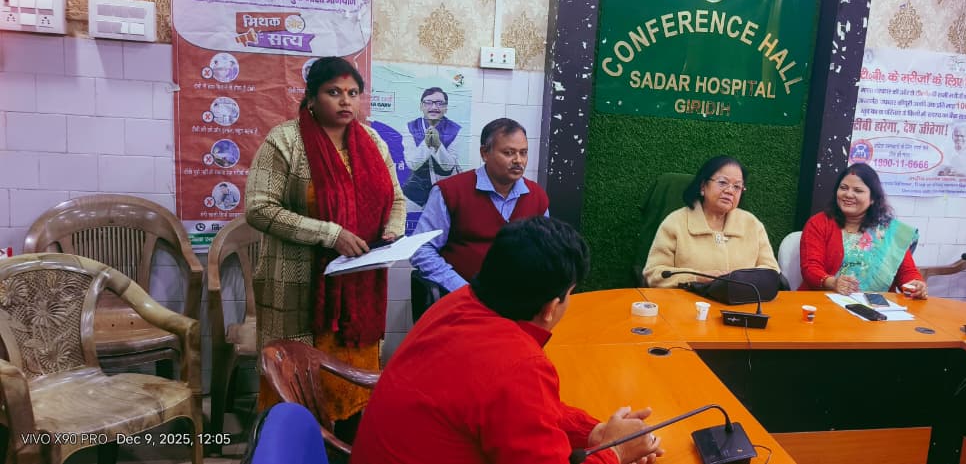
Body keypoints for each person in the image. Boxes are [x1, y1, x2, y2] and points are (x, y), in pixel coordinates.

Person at [351, 218, 664, 464]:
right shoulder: (518, 365)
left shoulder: (458, 303)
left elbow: (526, 412)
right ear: (551, 307)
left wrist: (593, 432)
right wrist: (615, 453)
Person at [244, 56, 406, 427]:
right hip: (297, 287)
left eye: (353, 93)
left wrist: (392, 230)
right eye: (334, 92)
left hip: (358, 288)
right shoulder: (285, 141)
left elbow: (396, 198)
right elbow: (259, 209)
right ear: (312, 97)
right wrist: (330, 234)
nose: (346, 101)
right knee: (295, 390)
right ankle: (293, 443)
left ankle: (347, 441)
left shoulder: (372, 141)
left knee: (352, 392)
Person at [409, 118, 549, 318]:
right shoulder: (450, 191)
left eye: (523, 152)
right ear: (485, 153)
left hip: (519, 305)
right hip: (462, 304)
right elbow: (422, 249)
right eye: (508, 153)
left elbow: (545, 252)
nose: (518, 160)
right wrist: (464, 291)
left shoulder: (537, 196)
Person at [644, 156, 779, 287]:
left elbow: (772, 271)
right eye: (722, 182)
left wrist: (739, 280)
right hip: (687, 300)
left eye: (737, 187)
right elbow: (654, 274)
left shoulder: (752, 224)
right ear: (703, 186)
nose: (730, 191)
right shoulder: (676, 222)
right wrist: (696, 278)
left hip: (741, 301)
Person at [799, 163, 926, 297]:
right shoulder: (819, 223)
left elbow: (907, 272)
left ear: (873, 198)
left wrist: (916, 285)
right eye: (843, 188)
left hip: (875, 305)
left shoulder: (889, 231)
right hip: (823, 299)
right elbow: (810, 268)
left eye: (858, 190)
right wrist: (833, 283)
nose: (848, 194)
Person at [401, 87, 462, 206]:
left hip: (445, 194)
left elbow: (448, 166)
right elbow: (412, 164)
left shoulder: (455, 130)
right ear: (421, 106)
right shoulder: (410, 127)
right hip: (414, 194)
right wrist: (426, 144)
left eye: (439, 103)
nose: (434, 107)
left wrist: (438, 145)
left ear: (446, 108)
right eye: (428, 102)